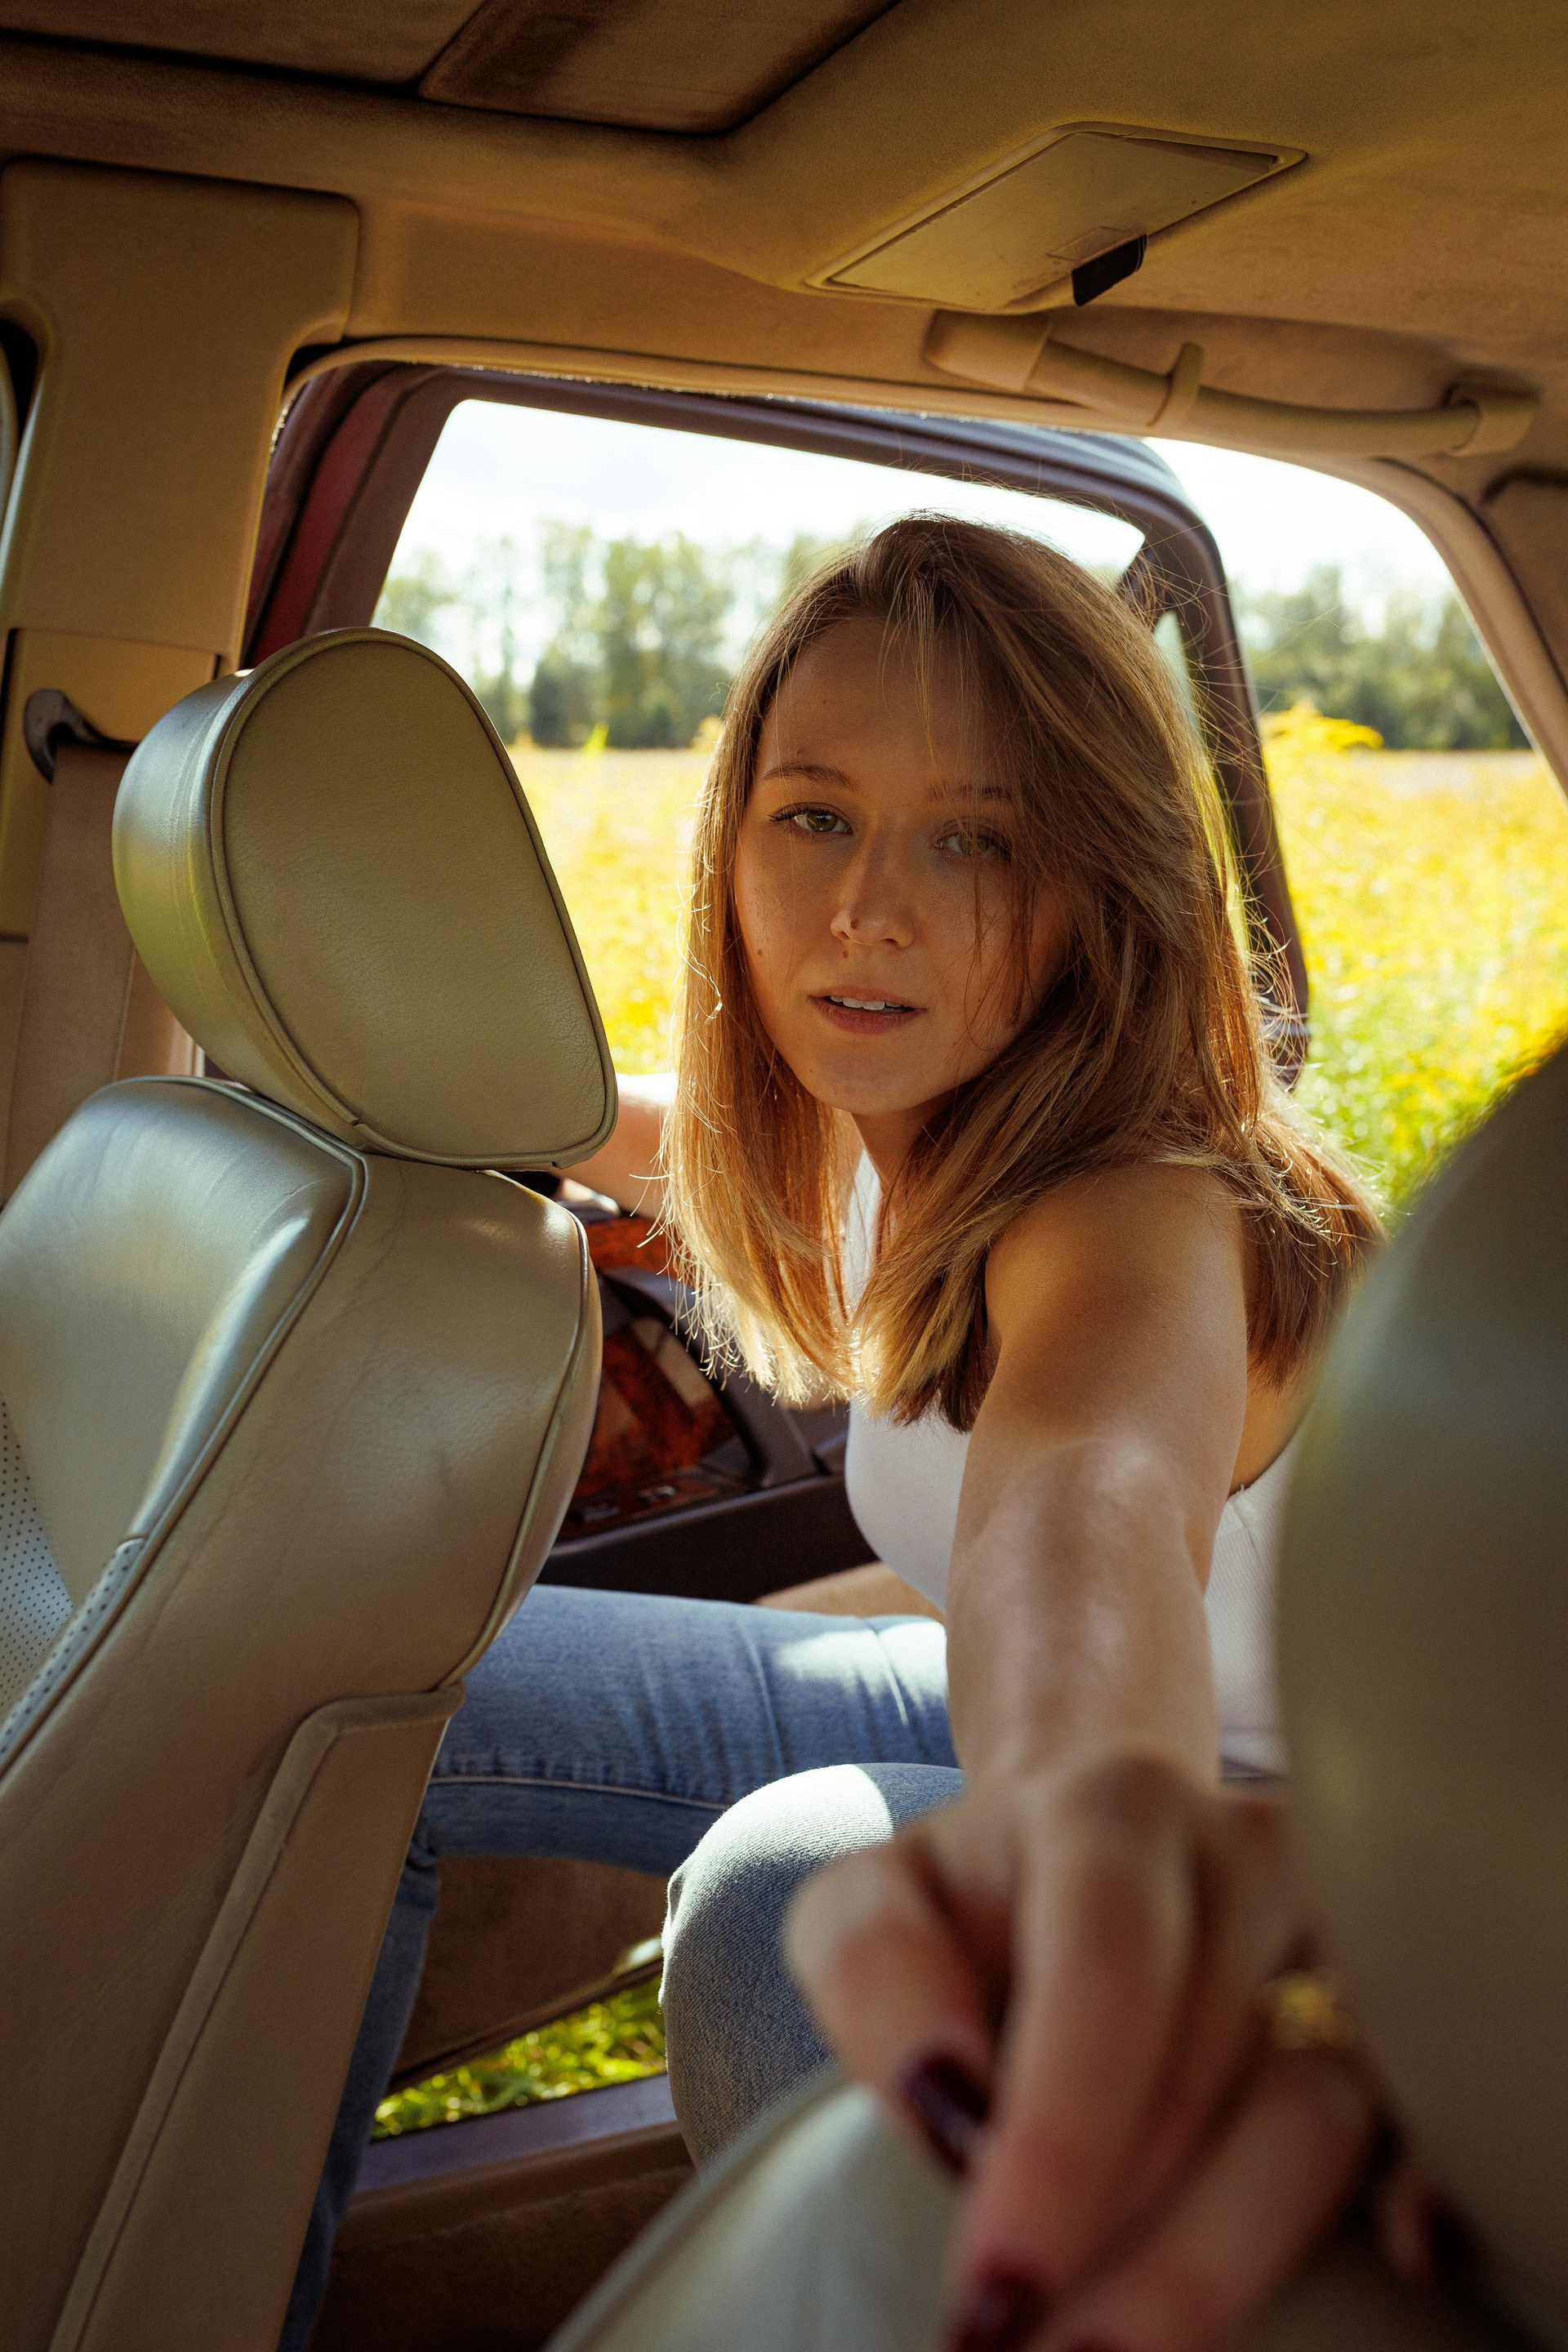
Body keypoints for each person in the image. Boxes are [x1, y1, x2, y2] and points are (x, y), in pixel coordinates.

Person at [282, 515, 1384, 2352]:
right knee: (381, 1666)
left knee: (786, 1884)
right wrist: (340, 1047)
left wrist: (1087, 1845)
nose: (869, 907)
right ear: (734, 844)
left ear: (1101, 881)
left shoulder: (1140, 1208)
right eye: (815, 816)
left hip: (1309, 1848)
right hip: (1020, 1715)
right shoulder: (907, 1129)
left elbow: (1085, 1514)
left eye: (976, 839)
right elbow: (642, 1129)